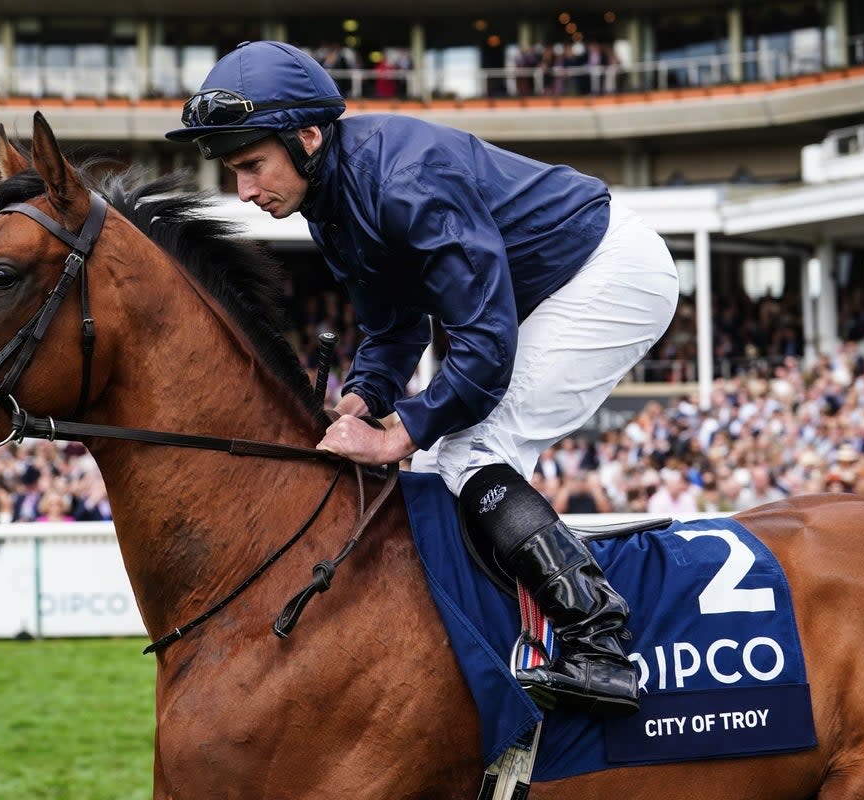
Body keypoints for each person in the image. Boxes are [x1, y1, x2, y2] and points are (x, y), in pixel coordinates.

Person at [167, 40, 679, 717]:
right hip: (542, 296)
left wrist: (397, 431)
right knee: (437, 465)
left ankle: (601, 643)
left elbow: (485, 344)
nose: (245, 191)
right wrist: (360, 400)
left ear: (309, 136)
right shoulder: (330, 199)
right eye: (234, 171)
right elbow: (394, 329)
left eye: (253, 166)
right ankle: (493, 642)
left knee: (469, 450)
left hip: (610, 272)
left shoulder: (405, 178)